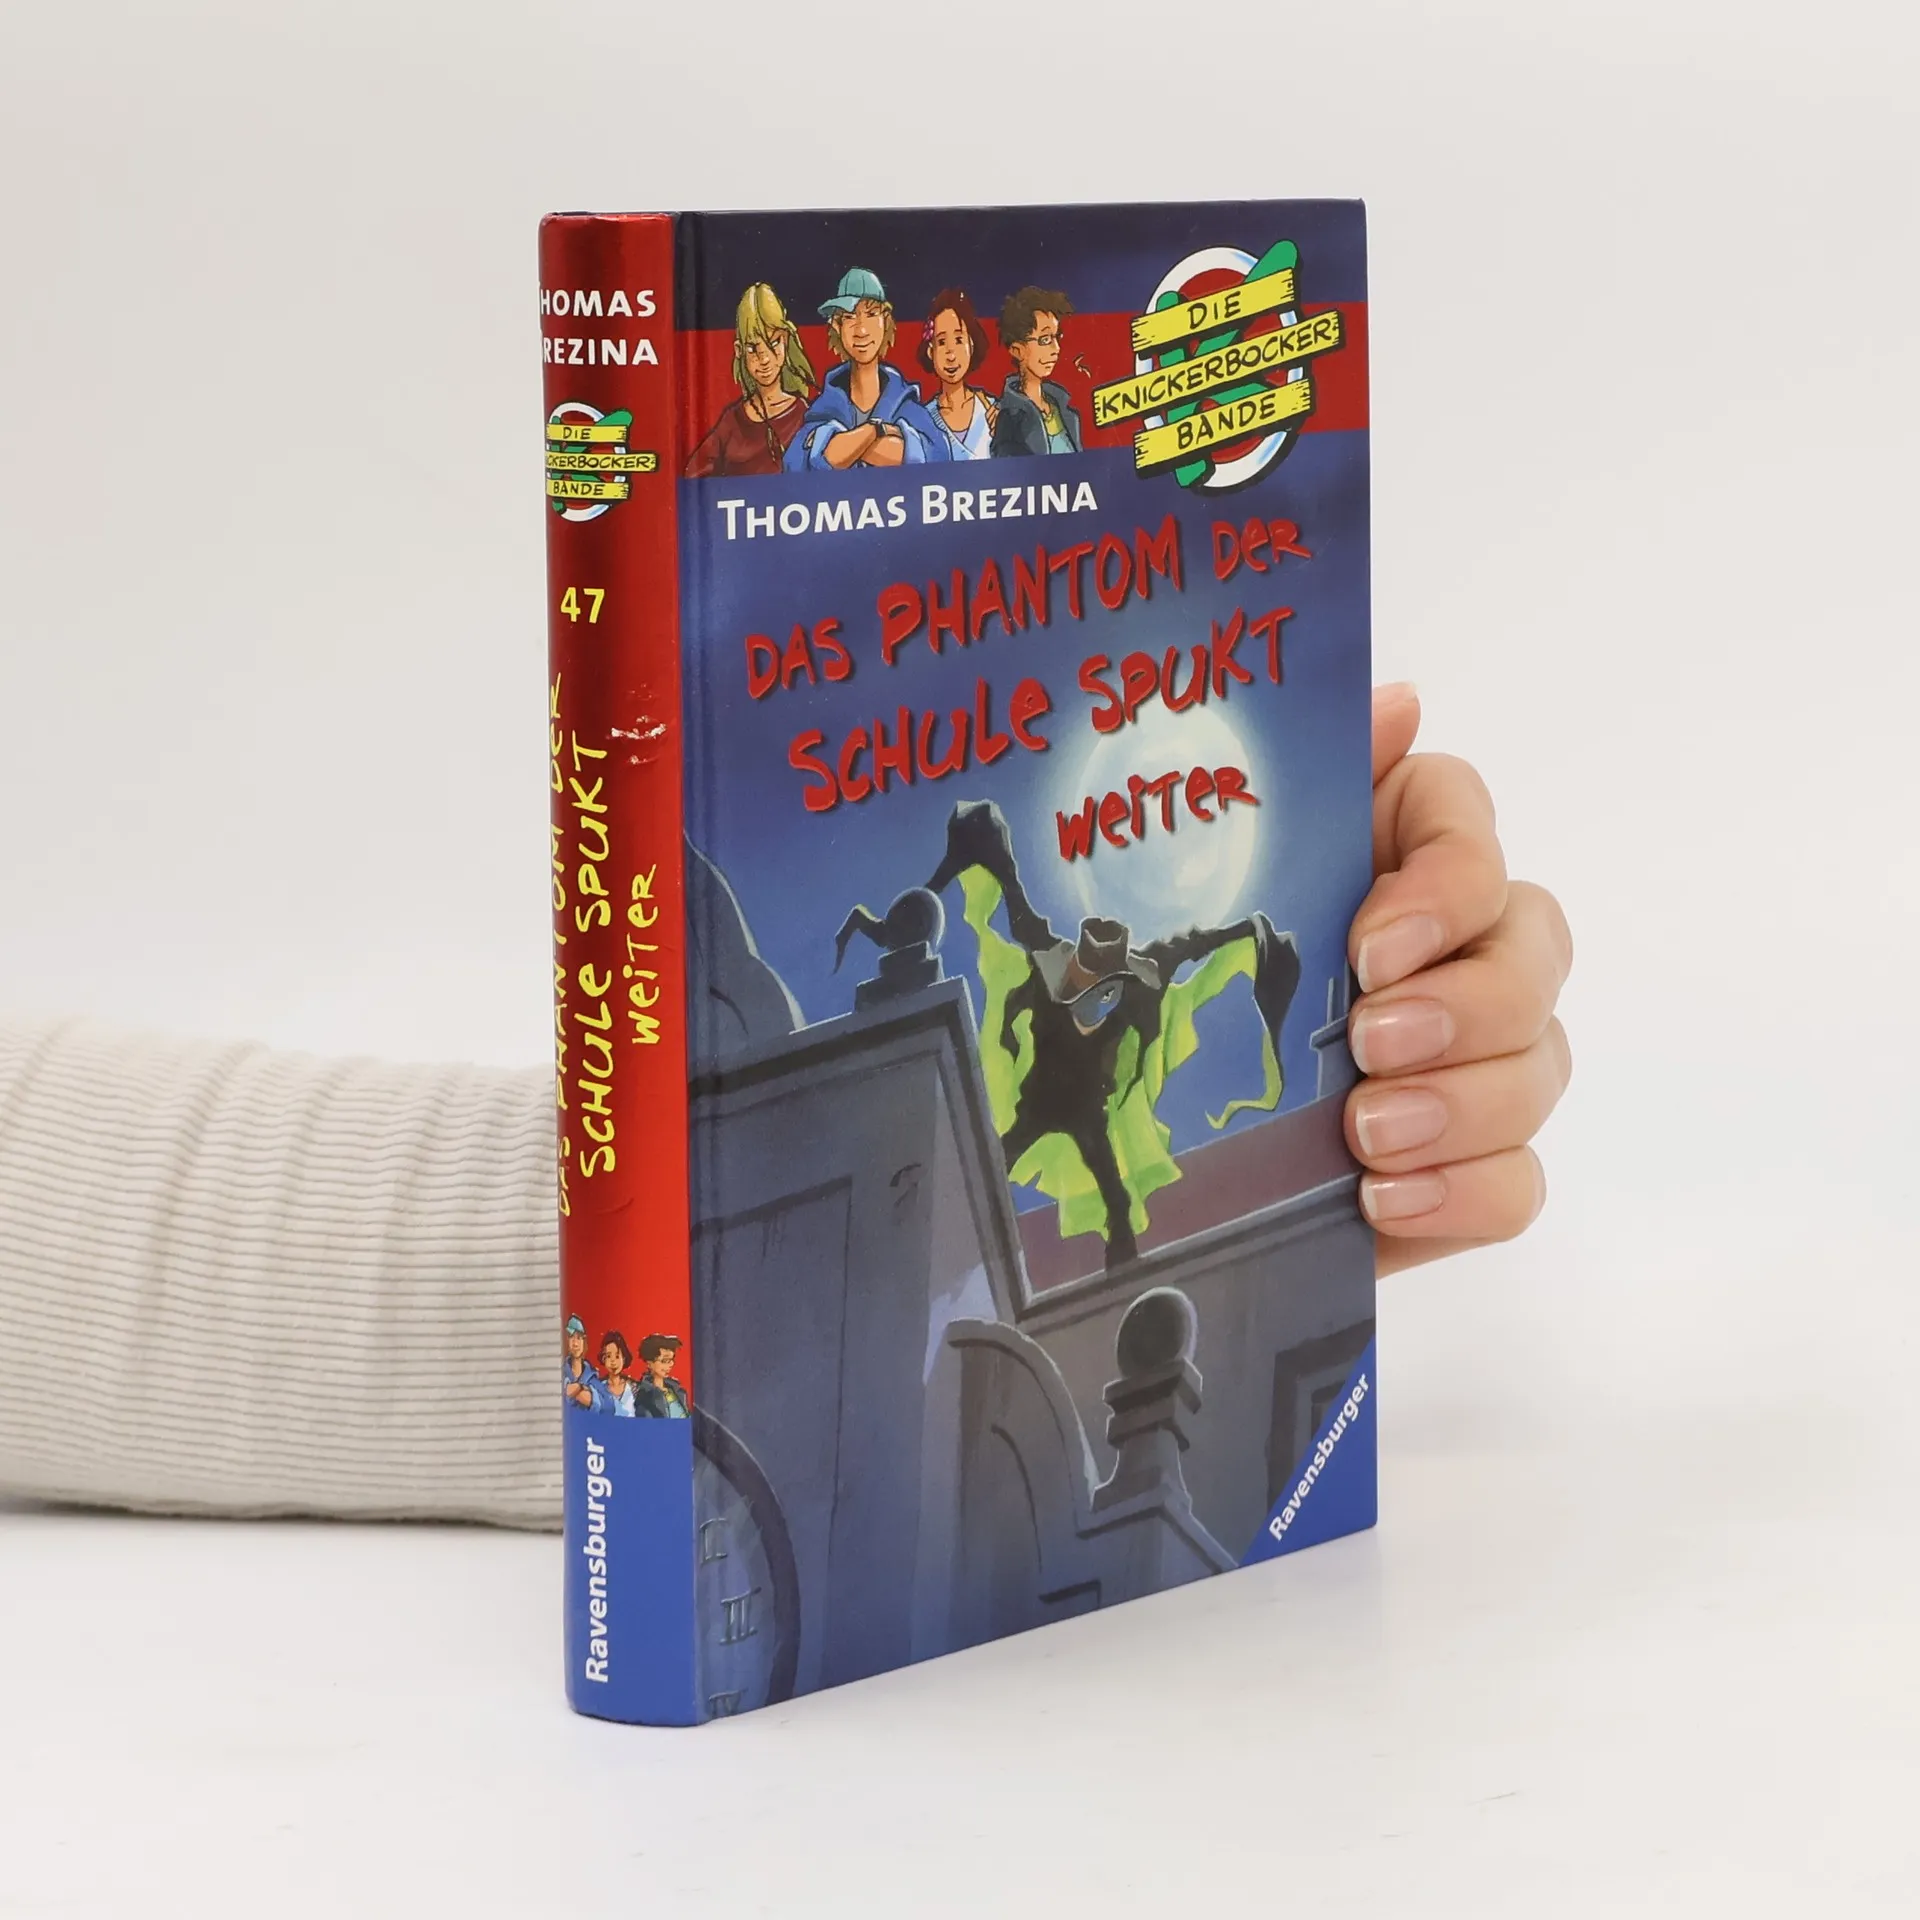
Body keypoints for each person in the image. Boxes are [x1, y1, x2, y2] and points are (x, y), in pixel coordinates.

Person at [0, 686, 1570, 1529]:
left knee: (1093, 1168)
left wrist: (658, 1255)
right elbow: (1004, 900)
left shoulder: (1120, 982)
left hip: (995, 1174)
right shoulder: (1048, 958)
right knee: (1074, 1152)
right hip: (990, 1146)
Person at [785, 268, 948, 470]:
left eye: (871, 314)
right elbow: (797, 464)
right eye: (849, 317)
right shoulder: (823, 408)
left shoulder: (908, 408)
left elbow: (937, 458)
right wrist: (876, 430)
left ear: (885, 320)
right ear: (836, 325)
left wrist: (840, 442)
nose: (861, 330)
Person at [682, 283, 816, 478]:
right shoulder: (732, 421)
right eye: (753, 348)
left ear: (785, 341)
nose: (765, 359)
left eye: (773, 343)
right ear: (739, 351)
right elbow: (693, 475)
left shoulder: (805, 415)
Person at [991, 285, 1081, 456]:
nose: (1056, 348)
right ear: (1017, 350)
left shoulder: (1064, 410)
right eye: (1045, 339)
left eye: (1057, 337)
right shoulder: (1010, 419)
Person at [917, 289, 999, 460]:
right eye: (941, 342)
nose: (951, 355)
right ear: (931, 352)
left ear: (971, 345)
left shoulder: (991, 410)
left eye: (959, 340)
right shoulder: (923, 419)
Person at [633, 1335, 690, 1419]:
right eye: (665, 1361)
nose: (671, 1364)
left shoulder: (676, 1389)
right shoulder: (645, 1396)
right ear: (649, 1363)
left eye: (671, 1360)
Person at [561, 1312, 604, 1413]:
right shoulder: (562, 1372)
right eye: (571, 1337)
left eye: (579, 1338)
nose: (575, 1343)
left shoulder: (592, 1375)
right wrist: (581, 1388)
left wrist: (576, 1391)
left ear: (584, 1342)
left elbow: (602, 1405)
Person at [597, 1332, 639, 1417]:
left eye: (617, 1356)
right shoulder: (598, 1387)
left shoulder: (634, 1388)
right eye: (608, 1356)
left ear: (624, 1358)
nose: (613, 1362)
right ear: (603, 1359)